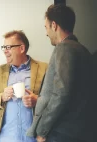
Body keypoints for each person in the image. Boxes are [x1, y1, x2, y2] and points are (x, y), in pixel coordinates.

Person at [26, 4, 95, 142]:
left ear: (54, 25)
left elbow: (61, 94)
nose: (46, 33)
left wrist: (42, 131)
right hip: (82, 131)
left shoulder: (63, 48)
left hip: (61, 133)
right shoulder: (84, 51)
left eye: (46, 27)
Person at [0, 30, 48, 142]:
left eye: (8, 47)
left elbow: (55, 101)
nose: (5, 51)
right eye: (4, 47)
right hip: (6, 138)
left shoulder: (44, 68)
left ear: (21, 48)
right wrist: (2, 97)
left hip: (34, 138)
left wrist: (37, 100)